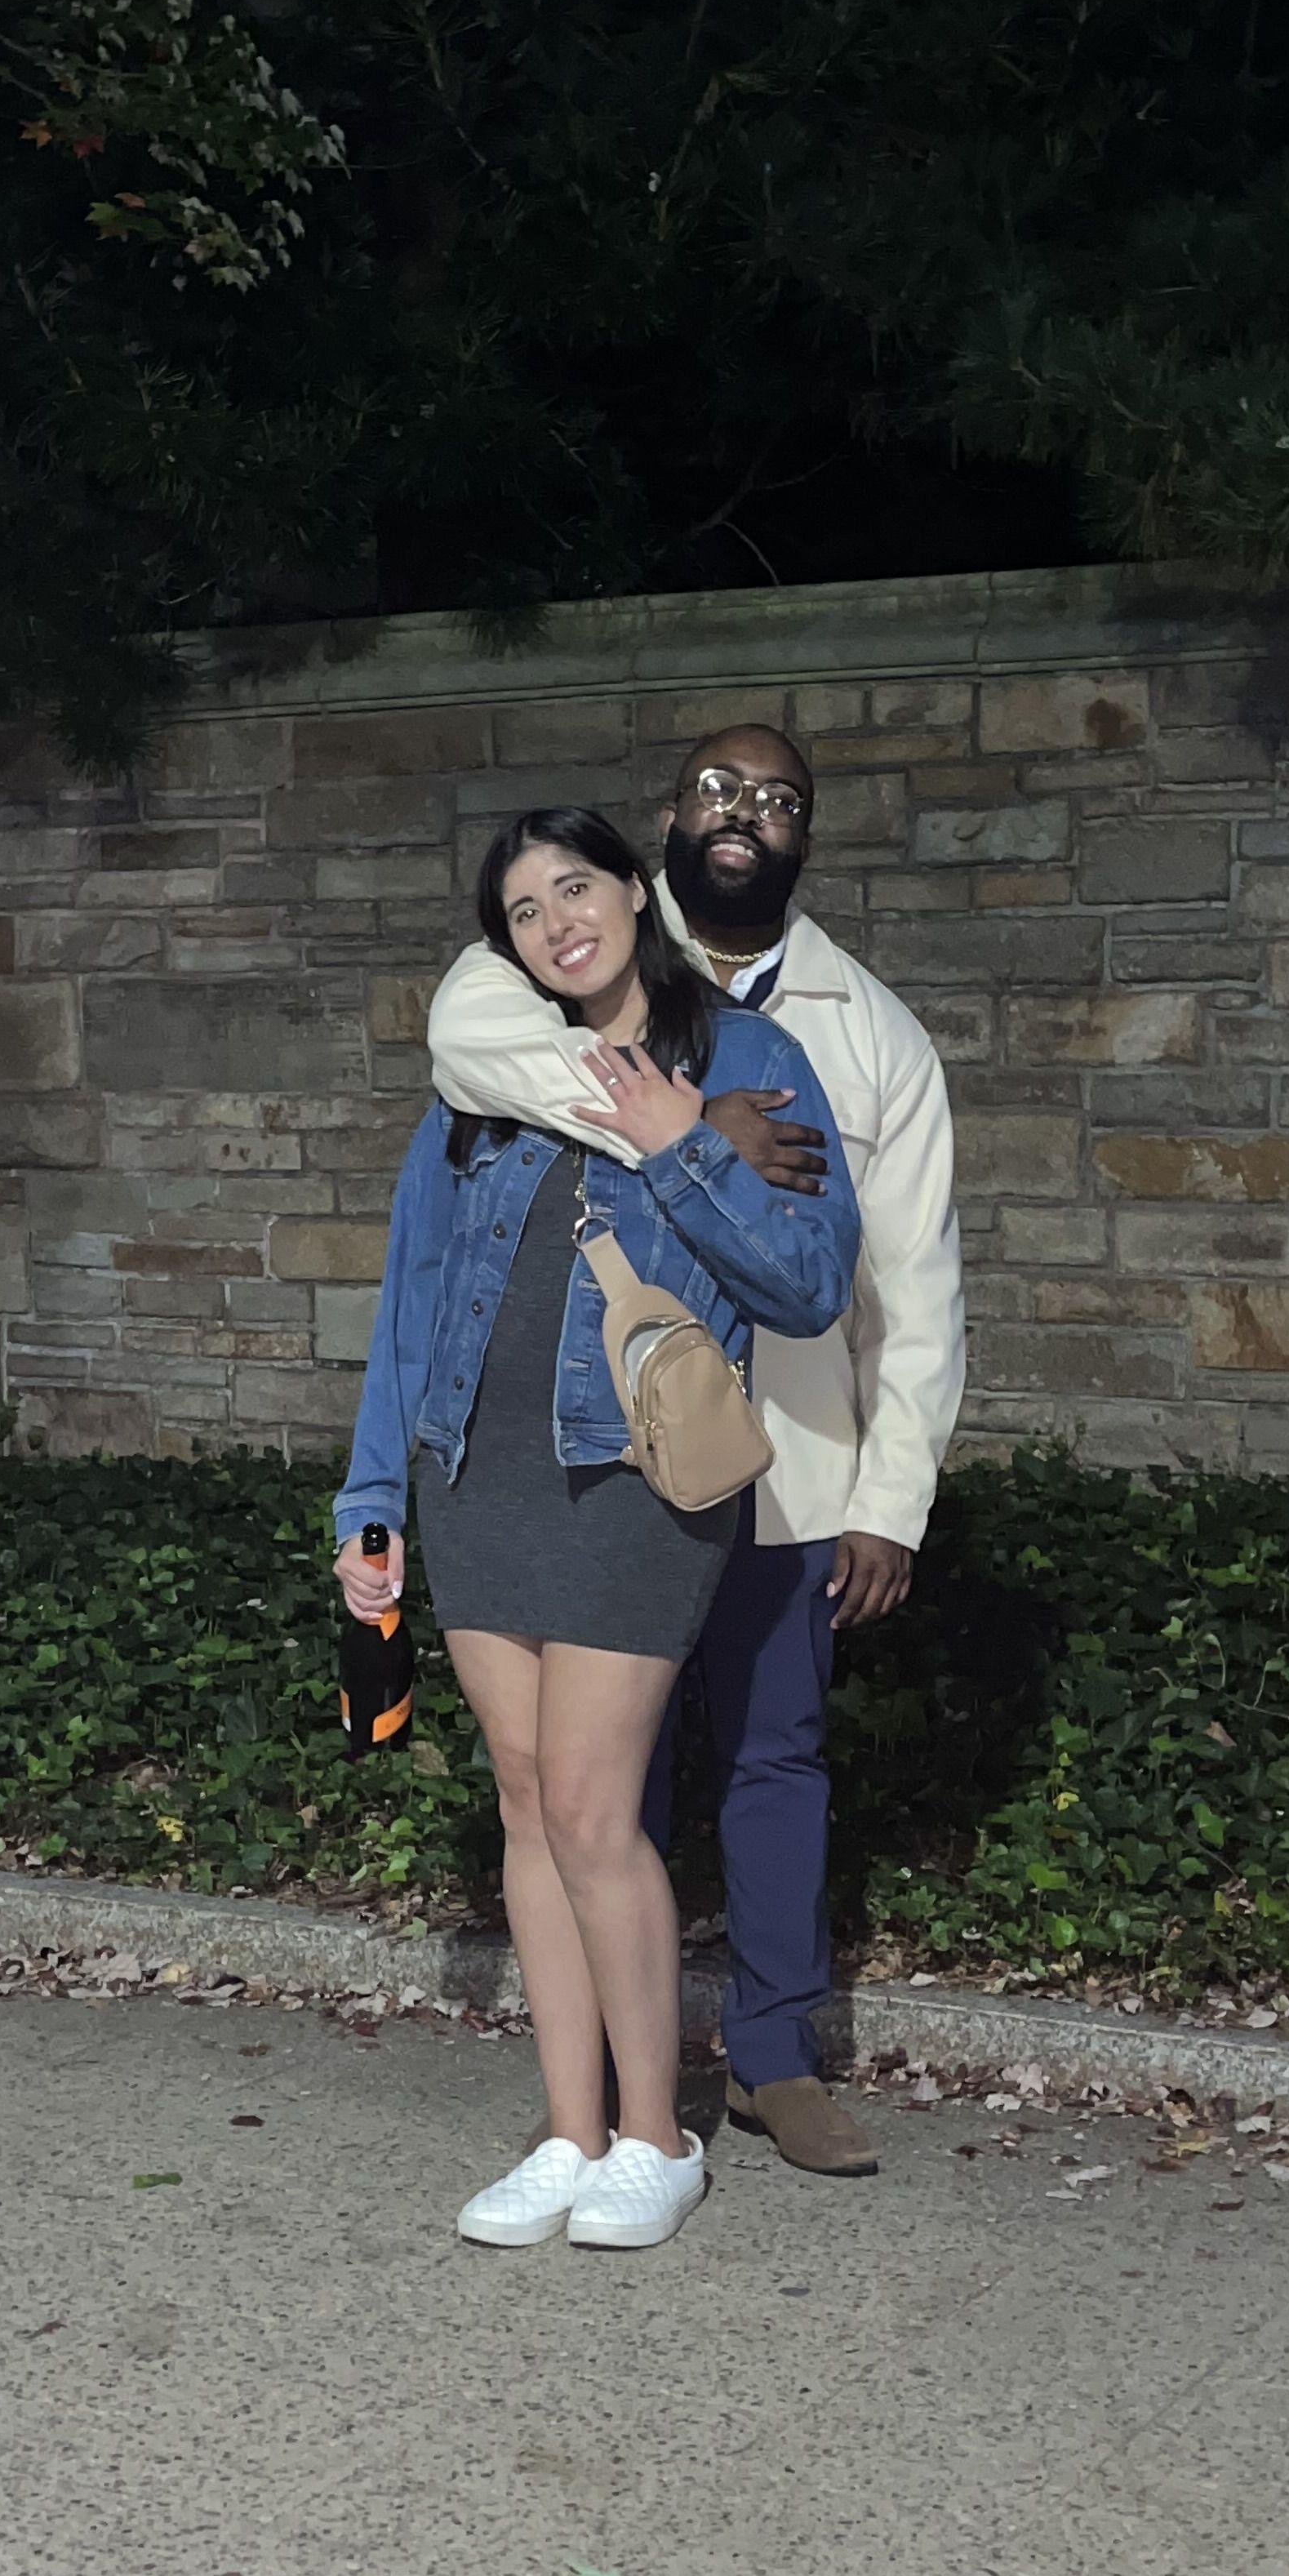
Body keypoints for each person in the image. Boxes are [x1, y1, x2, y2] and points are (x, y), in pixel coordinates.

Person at [423, 723, 967, 2180]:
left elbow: (912, 1287)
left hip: (788, 1458)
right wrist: (670, 1119)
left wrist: (893, 1498)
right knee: (605, 1784)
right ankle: (611, 2085)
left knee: (774, 1761)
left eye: (779, 800)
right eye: (720, 791)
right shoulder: (558, 960)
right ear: (666, 821)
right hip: (609, 1466)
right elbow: (461, 1061)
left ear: (807, 835)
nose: (747, 814)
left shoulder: (869, 1035)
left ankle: (776, 2059)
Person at [333, 805, 862, 2251]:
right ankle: (570, 2132)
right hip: (474, 1472)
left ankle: (656, 2135)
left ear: (637, 890)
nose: (557, 923)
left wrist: (684, 1145)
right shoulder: (486, 1083)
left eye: (576, 888)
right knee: (524, 1801)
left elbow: (811, 1282)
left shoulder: (744, 1062)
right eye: (523, 911)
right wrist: (372, 1499)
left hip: (634, 1478)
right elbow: (411, 1296)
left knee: (588, 1807)